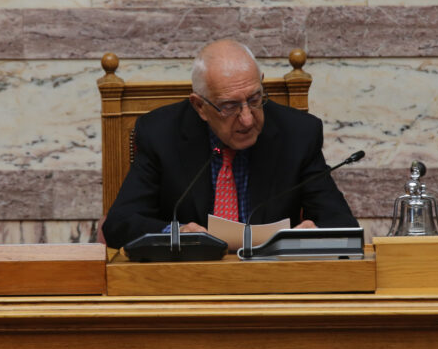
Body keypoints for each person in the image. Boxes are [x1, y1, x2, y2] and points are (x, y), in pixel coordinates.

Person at [103, 39, 358, 249]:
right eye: (229, 106)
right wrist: (176, 233)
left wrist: (314, 232)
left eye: (255, 99)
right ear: (199, 106)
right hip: (189, 278)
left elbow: (343, 224)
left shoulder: (298, 133)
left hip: (273, 279)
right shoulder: (161, 134)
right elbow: (119, 224)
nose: (247, 119)